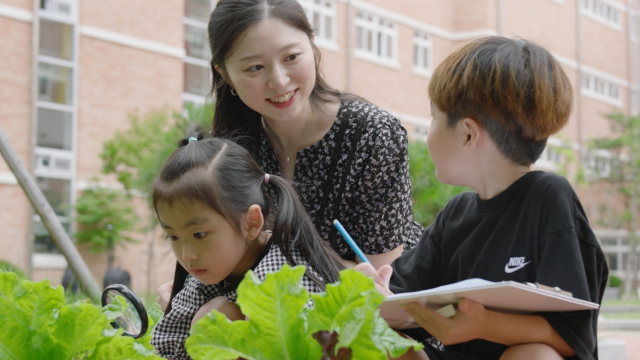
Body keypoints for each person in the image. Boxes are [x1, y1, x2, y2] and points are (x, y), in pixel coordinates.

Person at [356, 36, 608, 360]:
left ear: (468, 134)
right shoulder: (455, 215)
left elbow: (574, 338)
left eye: (433, 119)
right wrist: (374, 289)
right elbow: (401, 301)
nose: (428, 134)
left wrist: (484, 324)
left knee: (535, 355)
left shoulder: (549, 199)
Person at [208, 0, 423, 267]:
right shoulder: (224, 153)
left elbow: (381, 276)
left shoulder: (373, 134)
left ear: (312, 43)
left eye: (291, 57)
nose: (279, 80)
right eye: (255, 67)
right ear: (224, 74)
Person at [150, 130, 345, 359]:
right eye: (173, 237)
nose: (187, 254)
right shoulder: (216, 267)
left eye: (199, 234)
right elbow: (167, 344)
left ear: (251, 223)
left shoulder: (283, 280)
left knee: (216, 318)